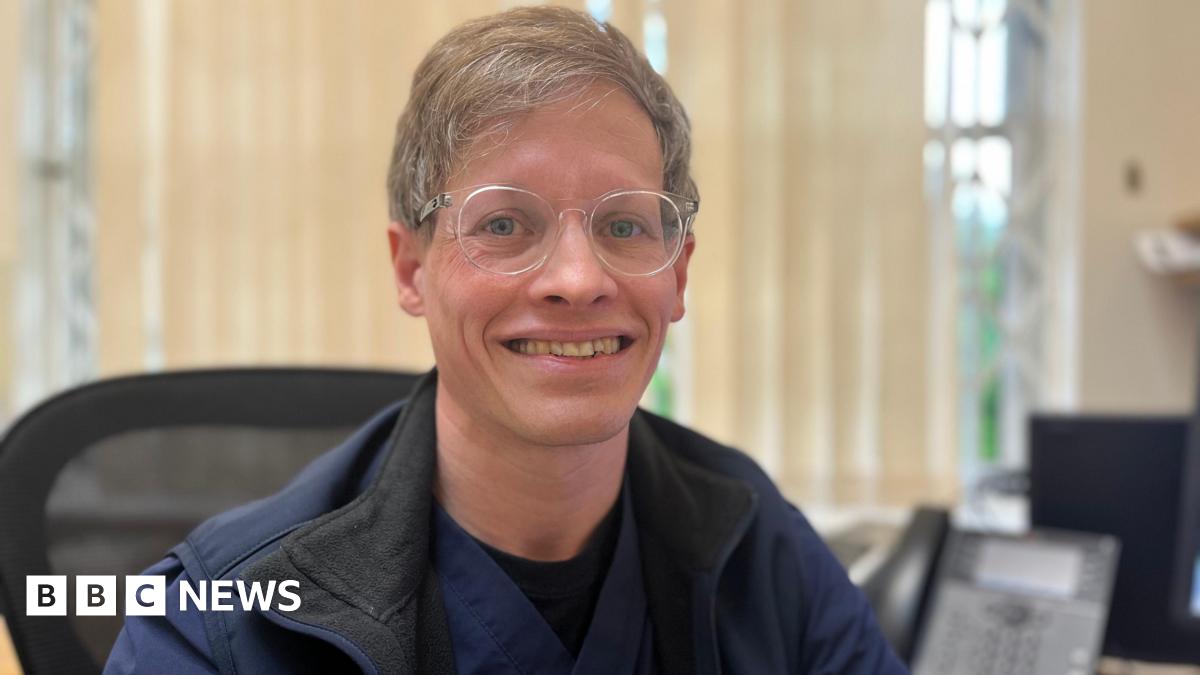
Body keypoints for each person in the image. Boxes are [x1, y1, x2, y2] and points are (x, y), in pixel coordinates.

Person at [105, 6, 907, 674]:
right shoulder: (213, 622)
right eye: (504, 223)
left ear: (679, 272)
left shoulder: (758, 546)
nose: (578, 277)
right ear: (412, 268)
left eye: (625, 224)